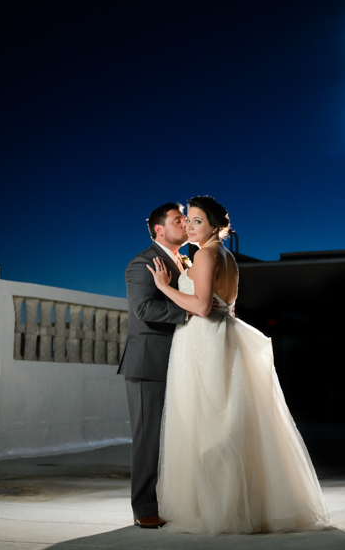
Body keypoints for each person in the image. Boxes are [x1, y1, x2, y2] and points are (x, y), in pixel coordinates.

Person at [147, 196, 329, 534]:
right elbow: (224, 306)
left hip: (203, 340)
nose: (189, 225)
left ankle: (219, 508)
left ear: (216, 226)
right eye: (188, 220)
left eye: (197, 221)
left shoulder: (207, 253)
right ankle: (243, 505)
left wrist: (164, 287)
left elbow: (201, 307)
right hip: (223, 336)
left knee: (207, 425)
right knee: (227, 421)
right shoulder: (226, 256)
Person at [116, 202, 190, 529]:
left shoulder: (185, 261)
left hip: (180, 362)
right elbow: (145, 309)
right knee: (148, 440)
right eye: (178, 220)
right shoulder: (142, 264)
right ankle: (144, 508)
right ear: (159, 229)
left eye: (187, 218)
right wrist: (192, 313)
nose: (186, 223)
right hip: (149, 364)